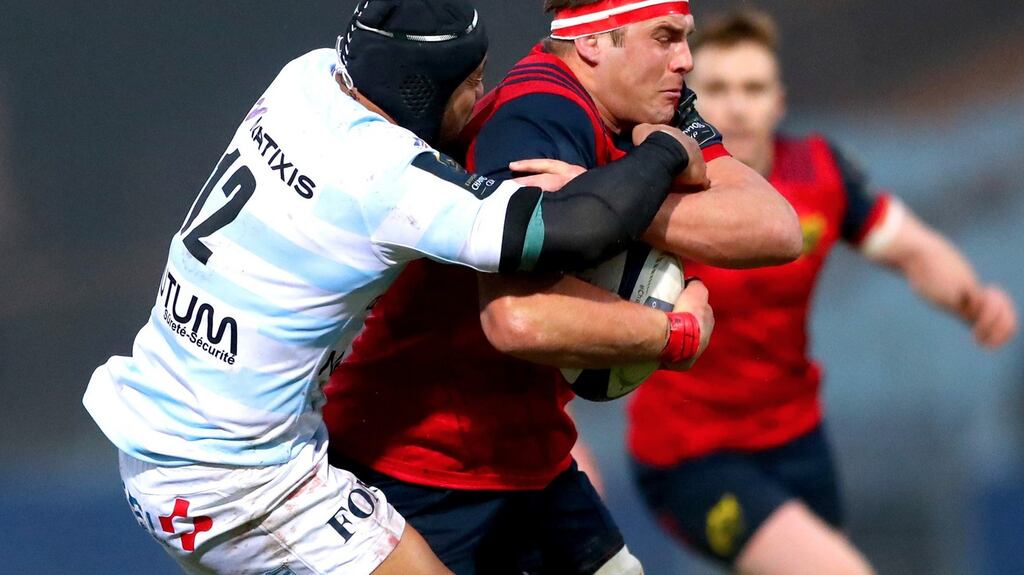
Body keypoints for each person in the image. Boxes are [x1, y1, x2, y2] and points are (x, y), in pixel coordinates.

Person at [80, 1, 705, 573]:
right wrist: (667, 152)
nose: (484, 96)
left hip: (164, 432)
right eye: (473, 83)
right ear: (423, 90)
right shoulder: (386, 185)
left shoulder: (305, 79)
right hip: (238, 483)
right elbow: (580, 230)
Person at [323, 1, 803, 573]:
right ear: (595, 43)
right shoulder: (538, 115)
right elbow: (519, 319)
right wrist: (675, 334)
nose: (686, 60)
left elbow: (776, 226)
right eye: (666, 37)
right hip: (419, 471)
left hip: (527, 462)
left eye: (686, 38)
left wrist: (611, 201)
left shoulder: (654, 106)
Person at [625, 9, 1019, 575]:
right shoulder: (651, 185)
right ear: (688, 100)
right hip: (691, 458)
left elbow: (913, 248)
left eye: (753, 88)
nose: (736, 105)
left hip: (798, 442)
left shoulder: (820, 173)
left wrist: (973, 300)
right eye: (717, 88)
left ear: (778, 101)